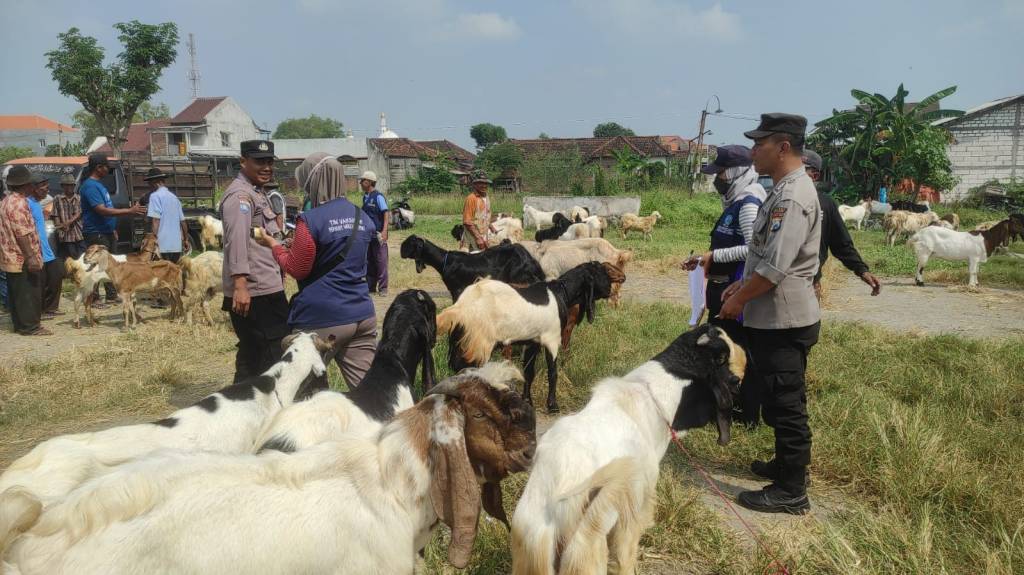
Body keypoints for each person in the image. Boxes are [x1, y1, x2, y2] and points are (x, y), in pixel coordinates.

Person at [719, 113, 821, 514]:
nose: (752, 151)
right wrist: (739, 285)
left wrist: (738, 300)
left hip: (784, 319)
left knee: (786, 402)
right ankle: (785, 465)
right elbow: (761, 255)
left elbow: (775, 269)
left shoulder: (793, 196)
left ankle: (792, 490)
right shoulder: (780, 190)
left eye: (759, 144)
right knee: (781, 397)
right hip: (773, 317)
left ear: (782, 147)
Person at [256, 153, 378, 386]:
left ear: (313, 182)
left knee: (300, 390)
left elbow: (297, 268)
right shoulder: (361, 216)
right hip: (362, 314)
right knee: (369, 392)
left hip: (323, 318)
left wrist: (274, 246)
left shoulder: (310, 220)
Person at [682, 144, 766, 426]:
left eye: (720, 173)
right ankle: (725, 405)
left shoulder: (748, 204)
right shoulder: (736, 201)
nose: (717, 179)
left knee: (738, 351)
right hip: (722, 287)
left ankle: (746, 413)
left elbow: (752, 249)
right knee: (723, 349)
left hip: (735, 290)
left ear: (735, 173)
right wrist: (701, 260)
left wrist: (713, 256)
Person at [220, 140, 288, 383]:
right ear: (242, 161)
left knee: (254, 355)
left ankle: (240, 409)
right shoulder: (241, 196)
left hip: (262, 286)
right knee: (271, 357)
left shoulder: (257, 192)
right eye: (259, 161)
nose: (267, 167)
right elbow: (236, 241)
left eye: (269, 162)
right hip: (255, 291)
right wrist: (240, 284)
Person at [801, 150, 881, 298]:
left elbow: (841, 244)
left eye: (802, 170)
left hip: (809, 285)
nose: (794, 175)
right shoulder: (780, 202)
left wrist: (862, 270)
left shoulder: (825, 204)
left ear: (815, 176)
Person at [80, 153, 146, 303]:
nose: (107, 171)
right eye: (106, 168)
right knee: (96, 265)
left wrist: (112, 229)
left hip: (106, 231)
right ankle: (93, 298)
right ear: (98, 168)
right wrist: (129, 211)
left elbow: (106, 212)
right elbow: (101, 210)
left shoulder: (99, 185)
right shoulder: (90, 186)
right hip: (96, 233)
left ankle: (111, 294)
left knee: (109, 264)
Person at [0, 166, 49, 335]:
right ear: (25, 185)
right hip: (22, 257)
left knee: (17, 295)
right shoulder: (19, 203)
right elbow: (22, 234)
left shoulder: (6, 201)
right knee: (29, 292)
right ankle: (31, 327)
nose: (33, 187)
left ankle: (20, 325)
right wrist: (31, 257)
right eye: (31, 184)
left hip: (10, 257)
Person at [29, 175, 64, 318]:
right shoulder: (28, 204)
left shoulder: (38, 203)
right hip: (37, 250)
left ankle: (51, 307)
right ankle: (40, 311)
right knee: (40, 282)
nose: (47, 188)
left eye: (47, 185)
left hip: (47, 248)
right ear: (34, 188)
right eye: (43, 185)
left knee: (56, 275)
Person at [144, 168, 190, 263]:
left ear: (155, 182)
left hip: (162, 244)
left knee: (163, 274)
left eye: (149, 183)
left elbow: (156, 220)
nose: (149, 186)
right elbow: (183, 222)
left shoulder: (154, 196)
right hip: (176, 245)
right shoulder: (174, 197)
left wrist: (154, 240)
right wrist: (186, 240)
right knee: (174, 272)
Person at [360, 171, 389, 297]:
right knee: (369, 261)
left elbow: (386, 214)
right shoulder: (365, 197)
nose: (361, 183)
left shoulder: (378, 197)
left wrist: (384, 231)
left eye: (363, 181)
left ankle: (383, 288)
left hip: (378, 234)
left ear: (369, 182)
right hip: (368, 235)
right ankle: (370, 286)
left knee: (381, 261)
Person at [53, 173, 85, 261]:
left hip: (79, 233)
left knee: (82, 257)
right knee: (71, 259)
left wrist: (68, 222)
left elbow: (79, 213)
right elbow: (55, 214)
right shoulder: (57, 198)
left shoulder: (78, 198)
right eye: (66, 185)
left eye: (71, 185)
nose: (68, 187)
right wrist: (59, 226)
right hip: (66, 236)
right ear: (62, 186)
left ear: (74, 186)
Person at [462, 172, 497, 251]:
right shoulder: (471, 198)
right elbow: (467, 221)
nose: (484, 185)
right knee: (474, 258)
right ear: (474, 184)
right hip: (473, 235)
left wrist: (491, 226)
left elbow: (485, 215)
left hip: (484, 233)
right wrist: (478, 238)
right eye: (480, 183)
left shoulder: (486, 197)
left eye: (485, 183)